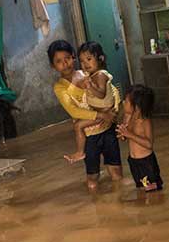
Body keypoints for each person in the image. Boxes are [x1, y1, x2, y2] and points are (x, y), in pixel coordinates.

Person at [48, 40, 122, 189]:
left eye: (67, 58)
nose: (65, 64)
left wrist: (114, 111)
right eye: (59, 61)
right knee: (92, 179)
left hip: (107, 129)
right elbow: (73, 111)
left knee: (117, 174)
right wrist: (102, 116)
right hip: (89, 136)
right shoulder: (60, 87)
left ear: (73, 57)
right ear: (53, 65)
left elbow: (112, 90)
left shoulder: (88, 73)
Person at [65, 41, 116, 163]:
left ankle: (80, 152)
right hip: (100, 111)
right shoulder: (92, 75)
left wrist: (90, 87)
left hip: (103, 111)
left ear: (100, 58)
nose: (85, 64)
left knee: (78, 126)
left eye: (89, 59)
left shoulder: (101, 75)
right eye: (82, 61)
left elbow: (101, 94)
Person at [117, 85, 163, 191]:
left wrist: (129, 134)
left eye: (127, 101)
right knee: (141, 188)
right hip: (133, 161)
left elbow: (149, 144)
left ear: (137, 106)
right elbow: (126, 137)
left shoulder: (144, 121)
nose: (123, 103)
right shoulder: (127, 117)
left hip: (146, 161)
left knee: (152, 189)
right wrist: (123, 135)